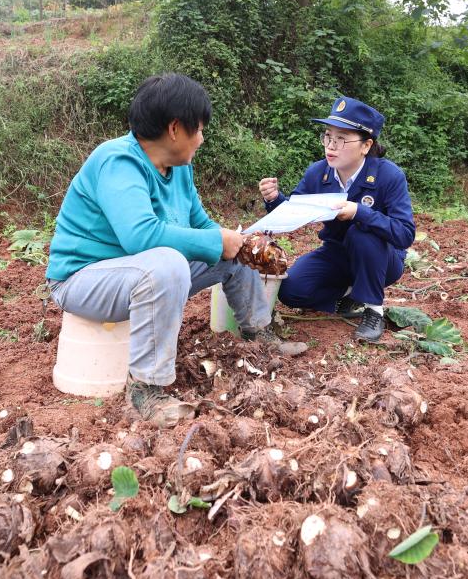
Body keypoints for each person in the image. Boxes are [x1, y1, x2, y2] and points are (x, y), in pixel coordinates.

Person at [47, 73, 301, 428]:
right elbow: (140, 236)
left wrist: (230, 241)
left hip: (138, 273)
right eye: (198, 128)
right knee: (169, 264)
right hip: (85, 279)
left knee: (233, 246)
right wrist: (216, 241)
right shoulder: (117, 162)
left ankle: (259, 333)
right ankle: (145, 390)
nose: (202, 137)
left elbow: (200, 224)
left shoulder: (179, 168)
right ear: (175, 129)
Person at [258, 96, 415, 342]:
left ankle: (374, 310)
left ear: (366, 145)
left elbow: (405, 234)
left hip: (383, 259)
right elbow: (294, 211)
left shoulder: (388, 176)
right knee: (291, 291)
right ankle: (350, 293)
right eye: (328, 136)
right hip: (337, 254)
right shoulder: (318, 173)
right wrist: (274, 199)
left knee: (361, 231)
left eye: (341, 138)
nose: (331, 145)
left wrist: (359, 212)